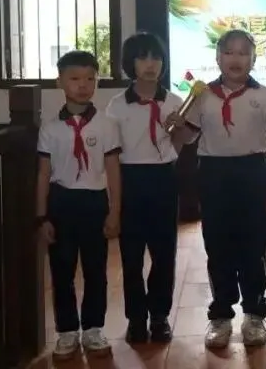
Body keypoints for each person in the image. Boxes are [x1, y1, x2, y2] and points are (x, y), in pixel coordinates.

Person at [183, 29, 266, 349]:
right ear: (218, 58)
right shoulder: (202, 95)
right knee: (217, 246)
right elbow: (187, 137)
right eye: (229, 52)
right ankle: (221, 314)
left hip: (253, 173)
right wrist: (176, 122)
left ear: (253, 60)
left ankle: (254, 313)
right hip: (213, 174)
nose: (236, 58)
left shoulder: (265, 96)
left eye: (243, 52)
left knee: (254, 247)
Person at [36, 50, 122, 359]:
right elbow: (43, 174)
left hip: (94, 201)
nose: (83, 85)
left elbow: (113, 169)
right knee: (62, 270)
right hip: (62, 202)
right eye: (74, 78)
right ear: (59, 82)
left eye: (90, 78)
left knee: (96, 269)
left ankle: (94, 328)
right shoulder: (50, 128)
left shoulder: (107, 124)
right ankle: (67, 331)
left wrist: (115, 211)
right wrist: (41, 216)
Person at [105, 32, 184, 344]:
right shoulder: (116, 106)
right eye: (142, 57)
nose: (151, 64)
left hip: (164, 178)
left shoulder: (175, 102)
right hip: (130, 180)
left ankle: (160, 315)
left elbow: (178, 146)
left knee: (164, 253)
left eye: (156, 57)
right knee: (131, 255)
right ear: (130, 63)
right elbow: (111, 156)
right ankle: (136, 318)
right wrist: (114, 203)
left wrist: (179, 128)